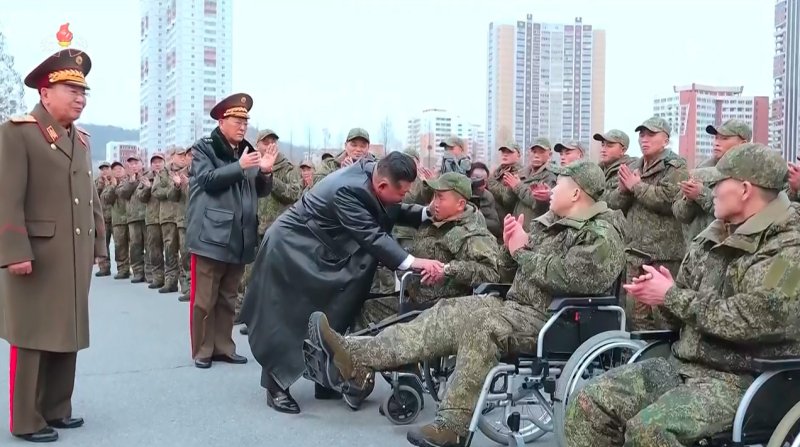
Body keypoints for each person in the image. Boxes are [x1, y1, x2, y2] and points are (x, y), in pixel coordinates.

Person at [308, 160, 626, 447]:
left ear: (576, 194)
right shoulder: (550, 223)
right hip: (516, 307)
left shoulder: (600, 234)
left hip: (556, 320)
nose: (551, 189)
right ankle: (352, 354)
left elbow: (576, 279)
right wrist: (509, 245)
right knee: (451, 310)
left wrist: (522, 252)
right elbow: (503, 270)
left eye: (559, 184)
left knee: (481, 326)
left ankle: (454, 427)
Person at [565, 143, 800, 447]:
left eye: (716, 184)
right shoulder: (712, 238)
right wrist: (660, 296)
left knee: (650, 431)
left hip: (742, 378)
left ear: (744, 190)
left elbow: (760, 318)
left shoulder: (788, 249)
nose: (709, 191)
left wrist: (672, 296)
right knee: (589, 402)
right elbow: (681, 310)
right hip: (685, 366)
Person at [240, 152, 446, 414]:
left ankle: (322, 377)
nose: (404, 197)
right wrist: (413, 262)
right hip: (290, 250)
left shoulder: (374, 176)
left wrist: (426, 213)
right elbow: (372, 236)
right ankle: (275, 384)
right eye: (403, 192)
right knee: (287, 318)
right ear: (383, 185)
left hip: (319, 251)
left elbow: (390, 207)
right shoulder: (347, 191)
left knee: (327, 316)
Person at [0, 48, 105, 443]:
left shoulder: (81, 139)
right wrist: (13, 252)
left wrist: (99, 245)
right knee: (31, 335)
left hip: (73, 255)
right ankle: (26, 419)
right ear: (45, 93)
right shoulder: (17, 132)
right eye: (70, 89)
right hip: (35, 255)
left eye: (83, 91)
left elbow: (90, 196)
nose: (80, 97)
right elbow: (6, 197)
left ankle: (57, 408)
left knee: (67, 329)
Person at [186, 93, 275, 369]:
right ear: (222, 121)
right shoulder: (205, 149)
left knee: (228, 296)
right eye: (237, 120)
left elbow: (260, 191)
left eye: (245, 121)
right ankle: (203, 349)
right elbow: (207, 180)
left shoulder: (248, 152)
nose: (242, 126)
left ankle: (224, 346)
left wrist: (265, 173)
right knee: (205, 298)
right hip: (211, 234)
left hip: (240, 234)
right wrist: (239, 167)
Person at [356, 172, 501, 328]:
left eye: (441, 197)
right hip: (413, 299)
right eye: (434, 196)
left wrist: (446, 270)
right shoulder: (434, 221)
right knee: (364, 310)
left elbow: (490, 273)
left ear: (460, 204)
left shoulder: (472, 233)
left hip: (441, 312)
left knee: (378, 335)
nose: (435, 203)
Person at [605, 116, 689, 330]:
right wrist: (624, 191)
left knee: (664, 316)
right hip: (635, 252)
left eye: (651, 134)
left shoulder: (676, 166)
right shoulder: (632, 166)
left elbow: (668, 201)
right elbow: (613, 203)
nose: (645, 139)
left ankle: (665, 358)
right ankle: (641, 358)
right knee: (635, 315)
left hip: (663, 255)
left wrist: (636, 186)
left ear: (665, 140)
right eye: (642, 134)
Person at [236, 129, 302, 328]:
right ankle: (245, 313)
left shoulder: (288, 168)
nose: (269, 145)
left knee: (273, 276)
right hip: (252, 226)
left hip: (277, 230)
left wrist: (269, 176)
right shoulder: (249, 166)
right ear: (258, 146)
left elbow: (294, 193)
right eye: (265, 142)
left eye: (273, 141)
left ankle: (268, 319)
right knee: (249, 273)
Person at [673, 120, 751, 244]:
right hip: (697, 248)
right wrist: (688, 199)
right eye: (716, 138)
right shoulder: (703, 168)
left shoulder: (750, 172)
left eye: (724, 138)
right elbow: (681, 215)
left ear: (743, 143)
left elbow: (739, 212)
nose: (716, 143)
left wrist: (701, 194)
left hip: (729, 247)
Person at [152, 147, 191, 296]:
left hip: (182, 215)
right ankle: (170, 281)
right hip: (167, 216)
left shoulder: (188, 171)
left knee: (185, 250)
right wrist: (171, 188)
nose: (182, 158)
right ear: (172, 157)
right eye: (179, 155)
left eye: (184, 155)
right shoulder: (163, 173)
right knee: (169, 249)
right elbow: (155, 192)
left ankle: (186, 284)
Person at [135, 153, 166, 289]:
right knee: (154, 249)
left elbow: (170, 193)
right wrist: (147, 187)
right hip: (152, 218)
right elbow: (140, 197)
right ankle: (157, 277)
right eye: (154, 162)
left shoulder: (170, 176)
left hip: (168, 217)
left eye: (159, 161)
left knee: (171, 250)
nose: (157, 164)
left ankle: (172, 279)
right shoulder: (146, 178)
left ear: (164, 162)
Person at [118, 155, 146, 283]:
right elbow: (122, 193)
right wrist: (132, 181)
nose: (134, 166)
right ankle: (138, 272)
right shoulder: (125, 180)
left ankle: (150, 273)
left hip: (147, 216)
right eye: (131, 164)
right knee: (135, 246)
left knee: (150, 246)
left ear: (141, 164)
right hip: (133, 217)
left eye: (136, 163)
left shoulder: (148, 176)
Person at [594, 129, 638, 205]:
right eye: (602, 145)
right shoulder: (597, 170)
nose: (603, 150)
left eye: (609, 146)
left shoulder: (628, 170)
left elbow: (614, 203)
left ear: (623, 150)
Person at [102, 161, 130, 279]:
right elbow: (106, 199)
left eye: (120, 168)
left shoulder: (129, 181)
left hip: (129, 217)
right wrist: (113, 186)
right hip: (117, 219)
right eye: (115, 169)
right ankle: (122, 269)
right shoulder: (110, 185)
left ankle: (138, 270)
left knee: (134, 245)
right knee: (119, 246)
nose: (117, 171)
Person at [487, 141, 524, 218]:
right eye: (503, 151)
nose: (505, 154)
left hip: (508, 217)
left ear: (518, 155)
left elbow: (505, 198)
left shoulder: (520, 174)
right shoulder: (498, 171)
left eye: (510, 152)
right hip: (494, 215)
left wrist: (489, 180)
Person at [467, 162, 501, 239]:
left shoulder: (487, 196)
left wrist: (477, 218)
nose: (481, 184)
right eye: (476, 179)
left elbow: (495, 225)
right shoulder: (460, 194)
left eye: (484, 181)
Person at [94, 161, 114, 277]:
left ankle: (125, 267)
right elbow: (93, 196)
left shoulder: (115, 180)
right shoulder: (96, 182)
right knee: (103, 243)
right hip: (102, 218)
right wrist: (101, 185)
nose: (104, 171)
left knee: (121, 244)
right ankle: (104, 267)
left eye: (106, 168)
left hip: (115, 216)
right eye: (102, 169)